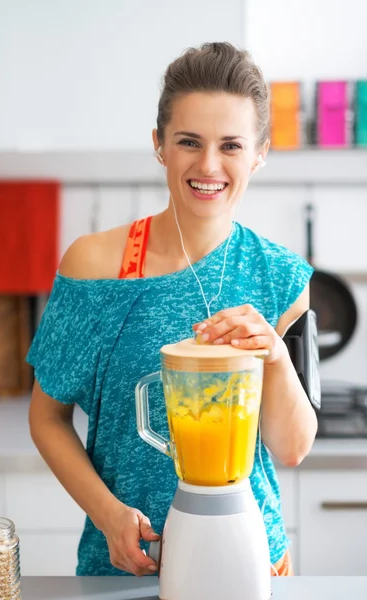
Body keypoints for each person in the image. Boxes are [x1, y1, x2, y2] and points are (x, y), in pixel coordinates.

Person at [27, 42, 318, 577]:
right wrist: (109, 515)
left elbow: (292, 446)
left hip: (251, 562)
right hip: (127, 564)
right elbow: (46, 418)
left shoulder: (282, 277)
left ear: (260, 153)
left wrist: (275, 357)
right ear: (160, 145)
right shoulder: (94, 266)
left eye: (231, 145)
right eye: (189, 141)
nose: (209, 165)